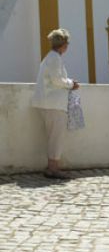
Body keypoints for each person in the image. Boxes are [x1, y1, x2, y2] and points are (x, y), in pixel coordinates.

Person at [31, 28, 79, 179]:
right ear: (63, 45)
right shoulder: (55, 58)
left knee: (52, 137)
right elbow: (57, 80)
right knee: (56, 137)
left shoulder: (49, 57)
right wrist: (71, 84)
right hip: (54, 104)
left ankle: (51, 167)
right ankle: (53, 169)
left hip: (47, 103)